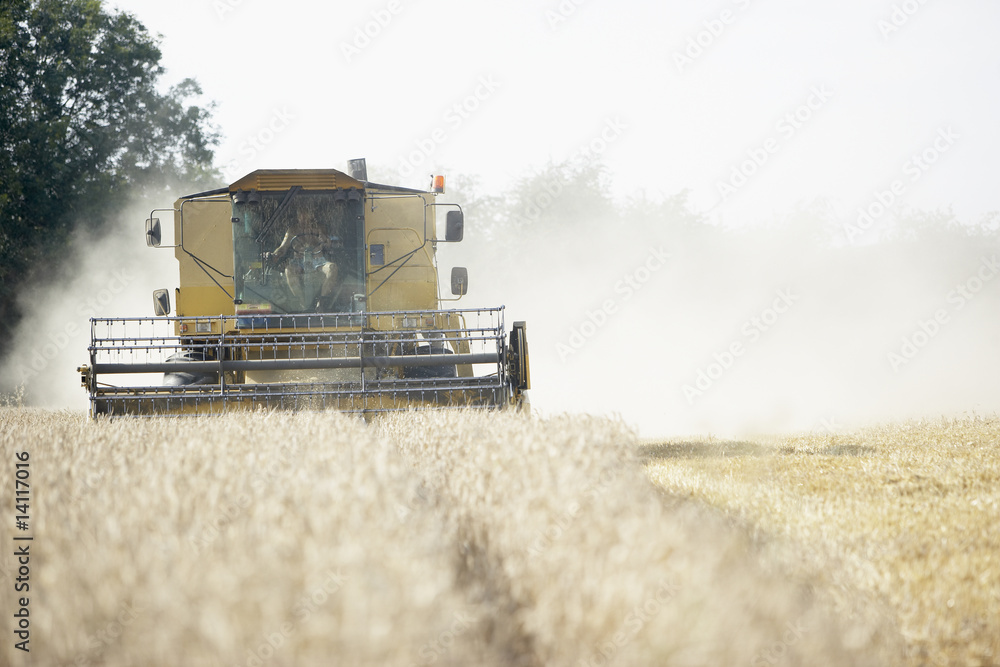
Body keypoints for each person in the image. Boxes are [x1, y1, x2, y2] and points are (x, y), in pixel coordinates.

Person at [263, 209, 341, 312]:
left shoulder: (320, 228)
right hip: (299, 262)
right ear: (298, 216)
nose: (303, 218)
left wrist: (324, 240)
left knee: (332, 268)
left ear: (312, 215)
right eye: (301, 215)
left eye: (306, 215)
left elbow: (328, 244)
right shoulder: (292, 230)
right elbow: (283, 247)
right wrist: (274, 254)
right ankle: (302, 304)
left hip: (318, 260)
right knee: (289, 270)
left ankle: (321, 302)